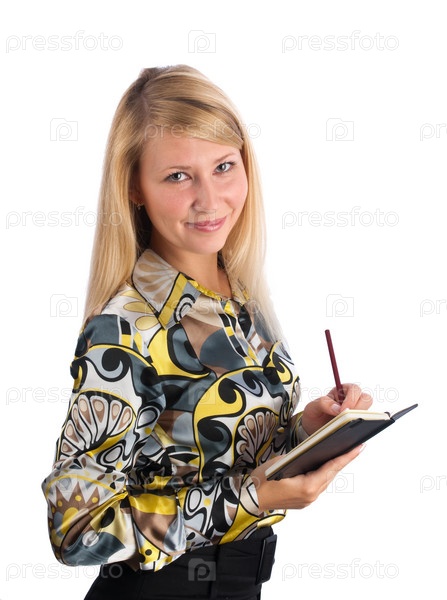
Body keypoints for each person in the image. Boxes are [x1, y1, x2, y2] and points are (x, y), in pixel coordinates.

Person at [42, 65, 372, 600]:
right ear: (135, 187)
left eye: (223, 166)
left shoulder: (237, 293)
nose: (210, 199)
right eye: (178, 176)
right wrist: (252, 500)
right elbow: (76, 531)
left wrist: (304, 431)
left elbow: (217, 459)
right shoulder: (124, 329)